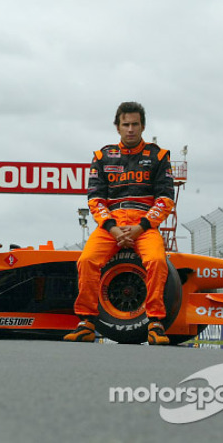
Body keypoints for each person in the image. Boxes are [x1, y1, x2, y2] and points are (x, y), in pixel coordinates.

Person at [64, 102, 175, 345]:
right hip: (111, 224)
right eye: (126, 124)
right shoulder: (102, 157)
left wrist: (141, 227)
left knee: (157, 261)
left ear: (143, 126)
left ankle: (155, 324)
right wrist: (112, 227)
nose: (131, 129)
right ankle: (86, 323)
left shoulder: (158, 156)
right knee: (87, 260)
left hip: (145, 224)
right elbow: (94, 199)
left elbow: (166, 199)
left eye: (135, 124)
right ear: (118, 127)